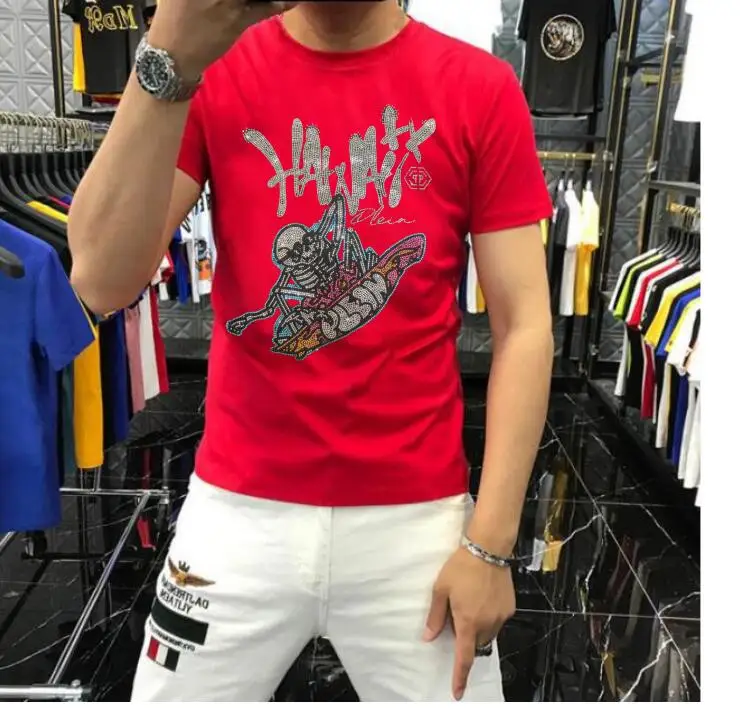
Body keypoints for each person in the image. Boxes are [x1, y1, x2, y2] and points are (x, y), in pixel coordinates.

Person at [67, 0, 554, 702]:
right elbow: (100, 279)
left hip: (419, 524)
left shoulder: (479, 86)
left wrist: (492, 544)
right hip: (236, 514)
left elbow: (525, 326)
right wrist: (168, 52)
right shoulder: (211, 68)